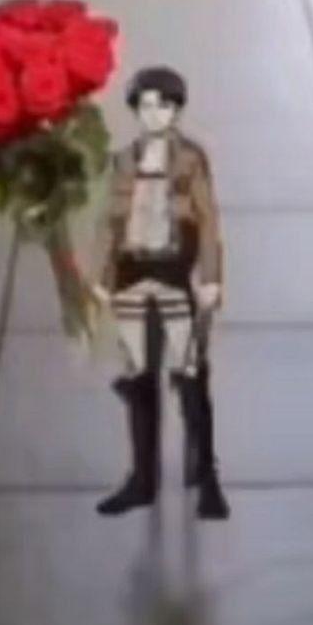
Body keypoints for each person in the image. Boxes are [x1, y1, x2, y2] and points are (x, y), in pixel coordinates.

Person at [81, 65, 230, 520]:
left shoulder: (190, 160)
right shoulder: (124, 161)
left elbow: (207, 220)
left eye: (162, 106)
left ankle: (205, 477)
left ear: (176, 110)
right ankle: (142, 479)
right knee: (140, 379)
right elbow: (109, 221)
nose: (154, 114)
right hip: (131, 276)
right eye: (145, 106)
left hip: (173, 272)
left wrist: (211, 276)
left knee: (190, 374)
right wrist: (100, 277)